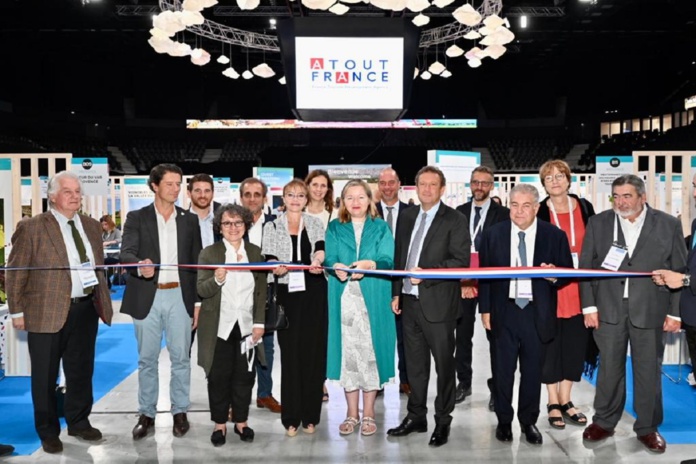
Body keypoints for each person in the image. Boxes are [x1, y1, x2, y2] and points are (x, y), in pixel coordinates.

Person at [6, 171, 114, 454]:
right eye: (68, 191)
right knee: (44, 375)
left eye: (78, 191)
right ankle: (48, 431)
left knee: (80, 371)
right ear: (52, 196)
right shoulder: (32, 227)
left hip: (85, 308)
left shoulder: (91, 226)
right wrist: (17, 311)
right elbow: (15, 272)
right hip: (45, 310)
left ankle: (79, 421)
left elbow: (97, 267)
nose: (75, 196)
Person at [580, 174, 686, 454]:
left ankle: (648, 427)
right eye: (616, 196)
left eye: (627, 196)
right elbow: (586, 267)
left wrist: (675, 313)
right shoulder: (598, 222)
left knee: (648, 371)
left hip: (651, 308)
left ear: (642, 197)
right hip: (608, 310)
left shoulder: (668, 224)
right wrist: (589, 307)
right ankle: (604, 421)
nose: (621, 201)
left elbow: (679, 269)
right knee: (609, 370)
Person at [478, 183, 573, 445]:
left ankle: (528, 421)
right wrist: (485, 309)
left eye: (526, 205)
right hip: (503, 310)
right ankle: (504, 421)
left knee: (532, 371)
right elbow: (484, 276)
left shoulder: (554, 236)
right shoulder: (493, 235)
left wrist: (555, 275)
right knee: (502, 370)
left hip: (537, 312)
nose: (519, 211)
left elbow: (566, 272)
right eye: (514, 205)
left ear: (536, 208)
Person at [387, 166, 470, 448]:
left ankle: (443, 420)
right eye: (422, 184)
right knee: (415, 367)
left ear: (442, 189)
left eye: (432, 185)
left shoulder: (456, 219)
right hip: (409, 303)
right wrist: (397, 291)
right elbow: (400, 256)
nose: (426, 189)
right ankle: (416, 416)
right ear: (416, 187)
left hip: (440, 306)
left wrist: (429, 272)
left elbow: (461, 262)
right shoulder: (408, 215)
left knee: (445, 367)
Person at [120, 163, 203, 440]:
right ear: (154, 186)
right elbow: (126, 254)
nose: (176, 189)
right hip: (147, 296)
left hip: (180, 296)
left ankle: (180, 411)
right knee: (147, 360)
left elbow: (197, 262)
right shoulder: (136, 217)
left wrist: (198, 304)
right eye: (170, 184)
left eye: (179, 184)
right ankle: (147, 413)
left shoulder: (189, 220)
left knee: (181, 358)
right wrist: (138, 265)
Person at [325, 180, 396, 436]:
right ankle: (351, 414)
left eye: (360, 197)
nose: (355, 202)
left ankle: (369, 413)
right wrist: (336, 268)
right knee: (348, 357)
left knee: (371, 356)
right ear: (343, 202)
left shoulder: (381, 228)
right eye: (349, 198)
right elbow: (330, 258)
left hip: (374, 299)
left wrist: (371, 264)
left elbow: (388, 260)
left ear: (370, 200)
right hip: (344, 299)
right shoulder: (334, 227)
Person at [196, 204, 267, 447]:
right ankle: (219, 424)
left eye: (238, 223)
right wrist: (216, 279)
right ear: (219, 227)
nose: (233, 228)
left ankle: (241, 422)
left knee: (245, 376)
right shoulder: (209, 253)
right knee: (218, 376)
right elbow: (201, 289)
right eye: (227, 223)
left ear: (246, 226)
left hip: (247, 327)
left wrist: (259, 323)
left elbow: (261, 291)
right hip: (218, 326)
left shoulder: (256, 253)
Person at [262, 179, 327, 436]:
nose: (296, 199)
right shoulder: (272, 225)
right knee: (290, 356)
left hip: (313, 292)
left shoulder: (315, 223)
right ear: (284, 198)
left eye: (301, 195)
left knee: (312, 354)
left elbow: (321, 250)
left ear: (306, 199)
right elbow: (269, 256)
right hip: (286, 294)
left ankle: (311, 416)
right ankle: (291, 418)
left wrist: (316, 260)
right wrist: (275, 264)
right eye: (291, 195)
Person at [536, 160, 596, 429]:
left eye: (560, 176)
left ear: (569, 180)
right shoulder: (538, 211)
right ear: (544, 184)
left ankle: (566, 399)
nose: (555, 181)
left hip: (580, 286)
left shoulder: (584, 208)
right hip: (550, 287)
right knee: (549, 343)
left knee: (575, 343)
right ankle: (551, 401)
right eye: (549, 178)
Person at [455, 165, 509, 408]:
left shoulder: (504, 214)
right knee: (462, 337)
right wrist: (464, 280)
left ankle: (497, 385)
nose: (479, 187)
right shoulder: (458, 212)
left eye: (485, 183)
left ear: (492, 186)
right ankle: (463, 382)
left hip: (492, 283)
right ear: (470, 183)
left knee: (496, 337)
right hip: (464, 283)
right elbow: (454, 249)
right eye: (475, 182)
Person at [239, 177, 281, 414]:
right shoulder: (231, 223)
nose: (252, 199)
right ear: (241, 197)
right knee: (241, 348)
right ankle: (240, 398)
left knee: (267, 347)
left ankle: (265, 394)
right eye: (248, 194)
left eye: (257, 194)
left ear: (264, 198)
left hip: (268, 293)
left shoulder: (276, 224)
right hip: (239, 294)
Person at [653, 173, 696, 388]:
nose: (695, 194)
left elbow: (687, 276)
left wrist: (685, 280)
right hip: (692, 317)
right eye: (695, 186)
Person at [375, 167, 411, 396]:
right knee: (377, 332)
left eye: (392, 182)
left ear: (399, 184)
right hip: (376, 280)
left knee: (405, 334)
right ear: (378, 186)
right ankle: (376, 380)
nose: (387, 187)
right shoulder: (369, 213)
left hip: (404, 279)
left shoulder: (413, 212)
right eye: (383, 183)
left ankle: (406, 380)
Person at [304, 169, 335, 402]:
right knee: (303, 335)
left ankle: (321, 381)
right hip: (299, 282)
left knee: (322, 333)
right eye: (315, 184)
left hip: (326, 282)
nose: (318, 189)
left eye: (323, 185)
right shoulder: (296, 212)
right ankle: (304, 379)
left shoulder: (333, 216)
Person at [187, 173, 221, 249]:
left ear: (213, 193)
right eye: (197, 191)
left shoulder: (222, 221)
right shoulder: (180, 221)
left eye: (207, 191)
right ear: (189, 193)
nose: (202, 195)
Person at [100, 214, 122, 290]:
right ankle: (107, 286)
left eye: (105, 224)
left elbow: (120, 240)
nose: (104, 226)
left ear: (109, 223)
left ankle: (108, 287)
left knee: (102, 264)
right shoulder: (103, 234)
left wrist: (109, 242)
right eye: (102, 225)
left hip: (115, 257)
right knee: (101, 266)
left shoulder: (116, 231)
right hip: (106, 256)